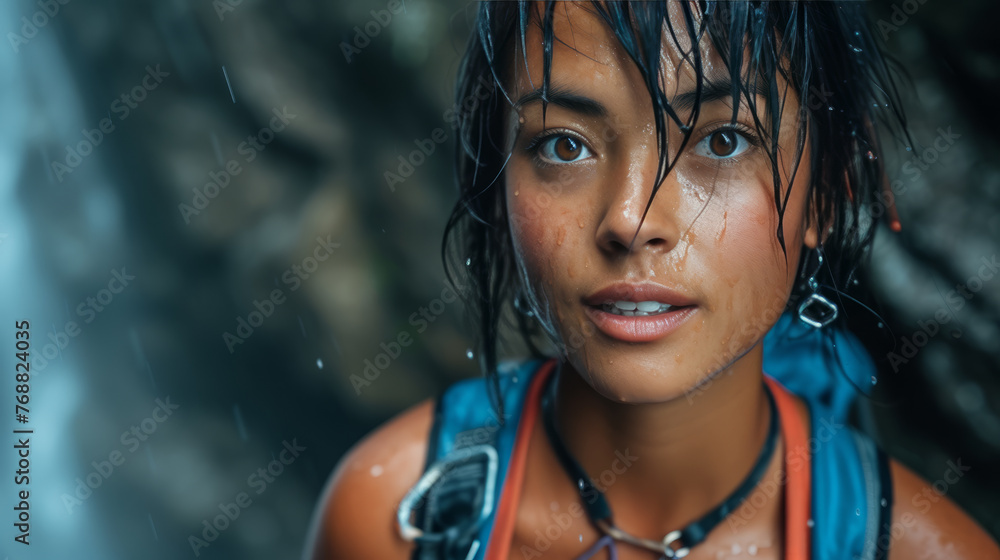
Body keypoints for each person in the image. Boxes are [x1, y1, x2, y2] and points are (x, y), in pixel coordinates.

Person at [305, 2, 1000, 559]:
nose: (632, 219)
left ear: (826, 193)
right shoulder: (393, 520)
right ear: (498, 191)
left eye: (721, 140)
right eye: (564, 144)